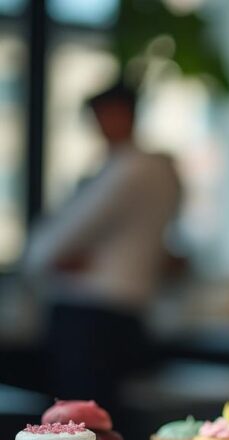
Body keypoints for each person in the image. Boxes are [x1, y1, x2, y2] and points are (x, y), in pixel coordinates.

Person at [24, 82, 181, 408]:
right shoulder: (136, 169)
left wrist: (51, 257)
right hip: (113, 314)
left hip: (94, 317)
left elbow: (52, 245)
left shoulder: (134, 169)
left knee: (81, 426)